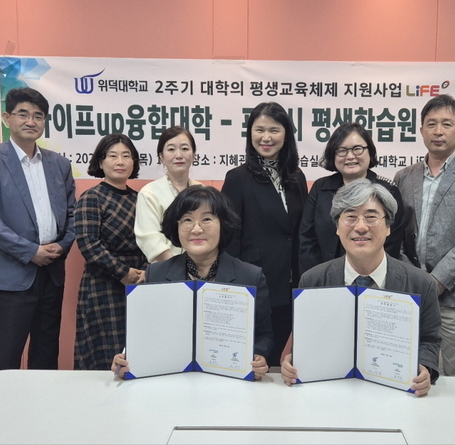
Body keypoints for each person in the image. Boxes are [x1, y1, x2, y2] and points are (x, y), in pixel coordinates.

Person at [282, 179, 442, 397]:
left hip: (393, 392)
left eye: (371, 217)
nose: (360, 227)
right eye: (350, 217)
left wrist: (424, 367)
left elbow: (429, 340)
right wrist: (293, 361)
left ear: (388, 227)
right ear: (337, 227)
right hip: (330, 393)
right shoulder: (312, 281)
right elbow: (306, 341)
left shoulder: (421, 283)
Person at [112, 186, 275, 379]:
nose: (196, 229)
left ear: (223, 224)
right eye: (187, 220)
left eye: (207, 219)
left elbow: (264, 335)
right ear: (176, 226)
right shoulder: (156, 274)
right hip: (172, 378)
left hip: (228, 378)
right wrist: (127, 358)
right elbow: (145, 334)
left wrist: (259, 357)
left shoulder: (250, 276)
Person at [0, 87, 75, 371]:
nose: (31, 121)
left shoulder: (59, 164)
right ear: (7, 118)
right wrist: (30, 252)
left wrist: (62, 245)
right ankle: (2, 403)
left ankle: (43, 402)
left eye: (38, 116)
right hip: (10, 275)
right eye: (23, 114)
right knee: (5, 357)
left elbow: (72, 214)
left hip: (52, 273)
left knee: (46, 356)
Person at [394, 94, 455, 377]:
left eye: (447, 124)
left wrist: (435, 282)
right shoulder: (404, 177)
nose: (438, 131)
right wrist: (414, 278)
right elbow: (395, 234)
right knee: (406, 369)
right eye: (431, 124)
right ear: (421, 129)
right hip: (410, 292)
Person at [221, 102, 308, 366]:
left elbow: (298, 231)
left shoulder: (296, 177)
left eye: (274, 130)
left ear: (286, 134)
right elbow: (229, 236)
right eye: (259, 130)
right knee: (255, 360)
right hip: (255, 284)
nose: (266, 137)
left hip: (291, 283)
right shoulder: (237, 177)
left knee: (285, 360)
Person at [73, 134, 147, 371]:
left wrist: (144, 272)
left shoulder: (141, 200)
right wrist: (123, 272)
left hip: (139, 284)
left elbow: (151, 240)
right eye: (113, 156)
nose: (120, 162)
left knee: (137, 352)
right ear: (101, 161)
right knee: (103, 355)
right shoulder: (91, 197)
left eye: (126, 156)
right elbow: (88, 244)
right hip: (102, 286)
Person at [299, 122, 406, 276]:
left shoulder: (387, 191)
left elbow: (392, 243)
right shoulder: (320, 188)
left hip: (374, 280)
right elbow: (307, 239)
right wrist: (317, 277)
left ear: (369, 151)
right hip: (324, 279)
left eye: (357, 149)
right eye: (342, 150)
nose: (350, 156)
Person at [135, 126, 202, 263]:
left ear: (194, 155)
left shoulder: (203, 192)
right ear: (161, 156)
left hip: (202, 268)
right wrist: (178, 269)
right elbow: (149, 238)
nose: (179, 155)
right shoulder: (149, 193)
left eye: (184, 149)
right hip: (166, 269)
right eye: (171, 149)